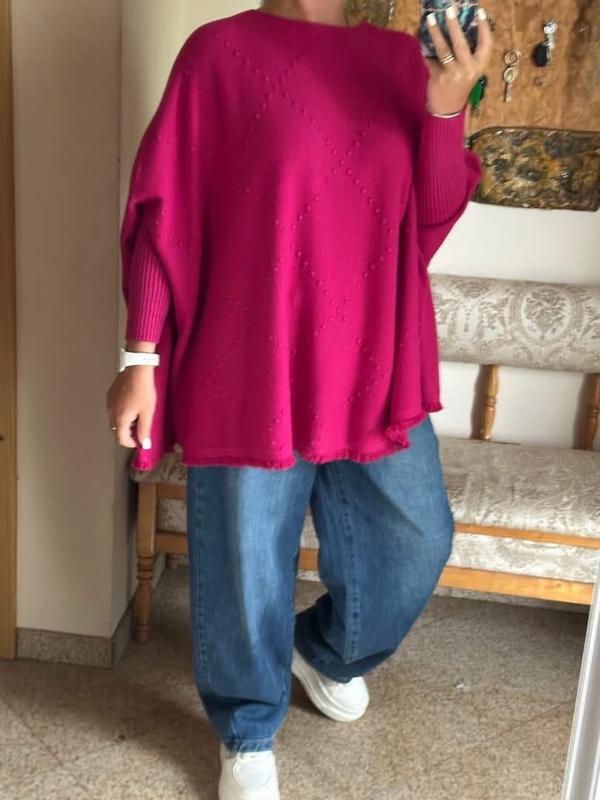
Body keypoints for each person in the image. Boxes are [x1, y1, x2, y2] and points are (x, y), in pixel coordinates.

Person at [106, 2, 493, 798]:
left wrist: (447, 107)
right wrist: (140, 356)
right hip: (247, 360)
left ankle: (322, 653)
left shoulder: (400, 63)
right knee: (245, 559)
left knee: (416, 541)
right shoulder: (218, 54)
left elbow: (427, 219)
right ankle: (247, 731)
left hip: (372, 361)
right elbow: (164, 213)